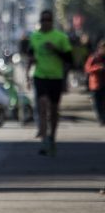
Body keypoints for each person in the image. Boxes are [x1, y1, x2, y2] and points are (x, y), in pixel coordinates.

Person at [25, 10, 73, 156]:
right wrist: (28, 73)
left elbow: (69, 59)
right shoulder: (34, 37)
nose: (45, 22)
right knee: (42, 105)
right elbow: (30, 54)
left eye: (48, 20)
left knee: (53, 109)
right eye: (43, 20)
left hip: (56, 77)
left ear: (52, 22)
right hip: (40, 76)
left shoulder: (61, 37)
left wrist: (55, 49)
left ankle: (52, 136)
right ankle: (44, 139)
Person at [83, 39, 105, 125]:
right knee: (97, 104)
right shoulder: (94, 57)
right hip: (95, 84)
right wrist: (98, 68)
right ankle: (101, 119)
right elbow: (87, 69)